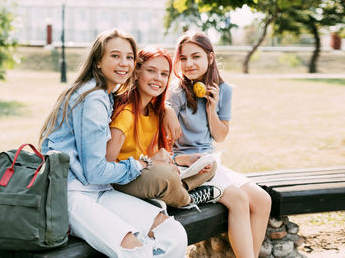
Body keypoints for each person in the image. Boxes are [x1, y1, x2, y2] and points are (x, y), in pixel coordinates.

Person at [38, 29, 187, 258]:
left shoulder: (105, 94)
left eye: (129, 57)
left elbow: (144, 99)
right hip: (72, 193)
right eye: (115, 56)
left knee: (173, 234)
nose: (124, 63)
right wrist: (142, 164)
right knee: (138, 251)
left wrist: (166, 108)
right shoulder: (93, 98)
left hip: (99, 191)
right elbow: (96, 171)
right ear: (98, 61)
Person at [168, 31, 271, 258]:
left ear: (210, 58)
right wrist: (182, 160)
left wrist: (211, 109)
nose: (189, 64)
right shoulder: (175, 94)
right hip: (188, 168)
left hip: (211, 162)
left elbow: (221, 135)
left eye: (196, 56)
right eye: (183, 58)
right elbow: (166, 144)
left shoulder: (223, 90)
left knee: (263, 200)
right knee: (239, 200)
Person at [106, 46, 219, 209]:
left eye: (164, 74)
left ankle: (177, 192)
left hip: (147, 172)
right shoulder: (125, 114)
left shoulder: (153, 111)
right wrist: (152, 162)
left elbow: (153, 157)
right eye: (151, 71)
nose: (158, 78)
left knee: (208, 164)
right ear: (136, 72)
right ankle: (187, 199)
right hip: (122, 180)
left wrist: (184, 160)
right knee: (166, 176)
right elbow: (107, 168)